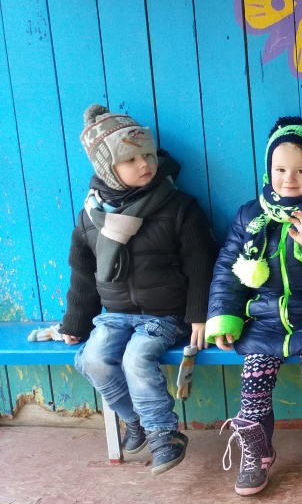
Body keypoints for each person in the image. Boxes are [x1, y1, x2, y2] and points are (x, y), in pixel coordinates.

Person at [206, 117, 302, 495]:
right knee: (253, 382)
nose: (289, 179)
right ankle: (257, 450)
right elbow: (228, 269)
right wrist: (223, 317)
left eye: (301, 170)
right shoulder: (251, 215)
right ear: (268, 170)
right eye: (280, 169)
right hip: (264, 319)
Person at [61, 104, 216, 475]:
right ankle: (136, 421)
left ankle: (163, 435)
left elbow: (201, 262)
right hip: (115, 315)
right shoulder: (91, 216)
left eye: (147, 154)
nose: (144, 163)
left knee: (136, 359)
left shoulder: (178, 207)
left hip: (164, 315)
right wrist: (76, 322)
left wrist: (199, 314)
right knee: (92, 359)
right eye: (130, 159)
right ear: (107, 169)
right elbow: (83, 274)